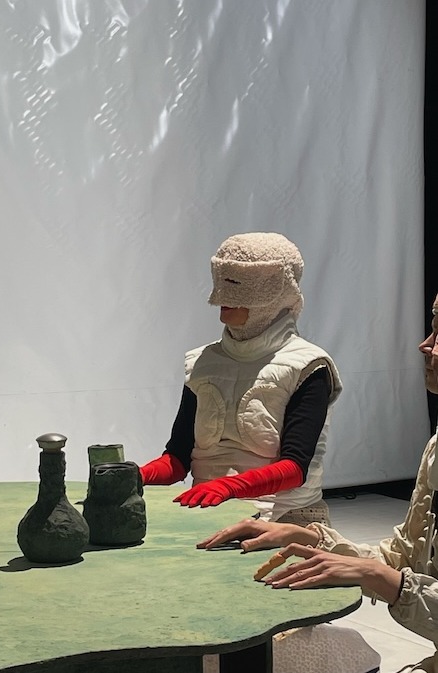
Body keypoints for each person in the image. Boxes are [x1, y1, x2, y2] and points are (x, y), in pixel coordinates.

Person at [197, 292, 438, 673]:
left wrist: (382, 578)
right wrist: (310, 539)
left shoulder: (308, 366)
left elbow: (295, 465)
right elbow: (402, 558)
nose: (425, 345)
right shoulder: (436, 448)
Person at [140, 232, 342, 525]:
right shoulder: (202, 363)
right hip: (209, 513)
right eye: (222, 279)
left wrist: (229, 487)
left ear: (276, 288)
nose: (223, 296)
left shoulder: (307, 366)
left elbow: (296, 468)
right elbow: (178, 458)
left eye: (239, 283)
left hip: (286, 518)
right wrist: (137, 475)